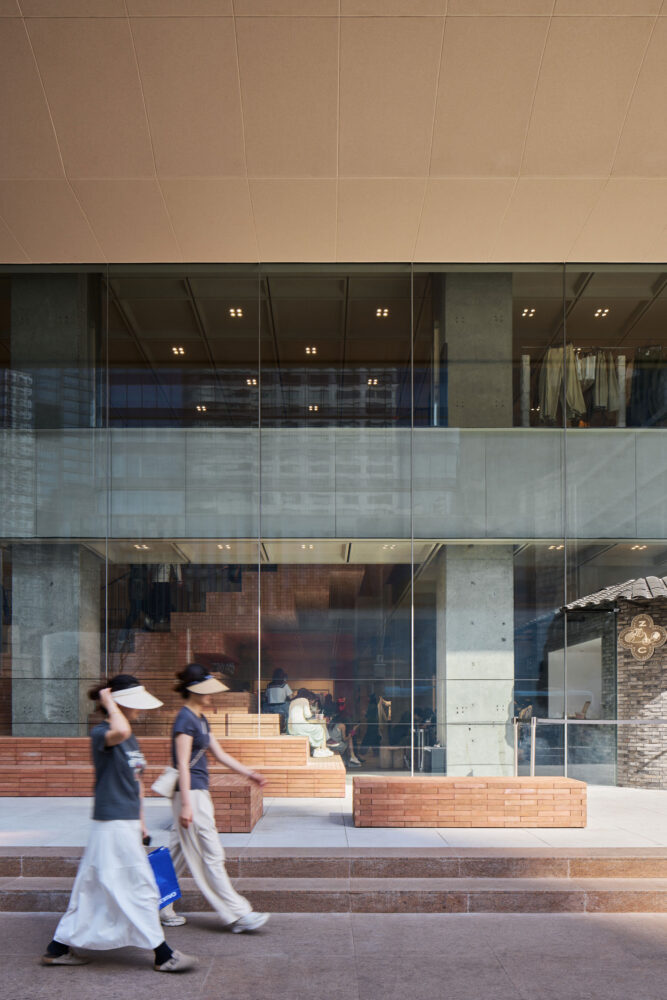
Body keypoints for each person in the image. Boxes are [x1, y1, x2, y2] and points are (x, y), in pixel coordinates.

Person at [41, 674, 195, 973]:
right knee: (139, 886)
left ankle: (57, 948)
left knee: (94, 886)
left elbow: (136, 780)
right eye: (133, 703)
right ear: (119, 703)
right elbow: (120, 730)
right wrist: (109, 701)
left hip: (124, 821)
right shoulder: (103, 733)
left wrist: (142, 823)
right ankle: (163, 955)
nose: (139, 709)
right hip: (111, 822)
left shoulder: (129, 736)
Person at [161, 663, 269, 933]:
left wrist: (250, 774)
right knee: (211, 854)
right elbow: (182, 764)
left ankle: (155, 905)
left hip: (195, 793)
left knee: (176, 855)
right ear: (193, 690)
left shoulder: (200, 719)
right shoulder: (184, 720)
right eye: (207, 690)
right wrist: (187, 805)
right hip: (191, 795)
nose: (211, 695)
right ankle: (238, 914)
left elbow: (220, 754)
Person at [287, 688, 333, 757]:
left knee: (314, 729)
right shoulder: (304, 700)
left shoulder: (292, 702)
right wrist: (312, 712)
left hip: (291, 728)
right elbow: (307, 715)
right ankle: (319, 750)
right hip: (299, 726)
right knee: (320, 728)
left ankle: (319, 749)